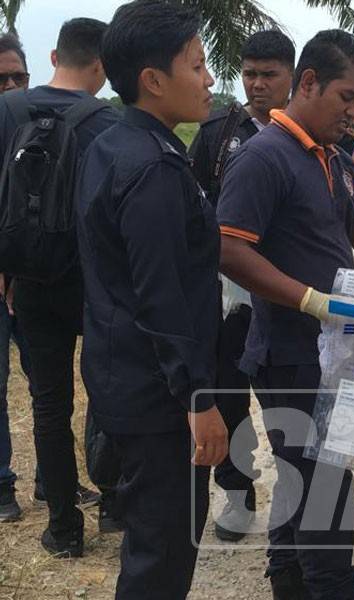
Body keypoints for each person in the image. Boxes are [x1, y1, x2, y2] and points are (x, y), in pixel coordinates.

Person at [216, 29, 354, 600]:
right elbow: (230, 249)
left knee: (303, 483)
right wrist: (309, 300)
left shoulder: (332, 157)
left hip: (333, 352)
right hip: (290, 356)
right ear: (308, 83)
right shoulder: (264, 158)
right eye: (346, 98)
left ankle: (288, 582)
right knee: (327, 499)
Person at [78, 0, 228, 594]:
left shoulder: (113, 144)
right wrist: (199, 400)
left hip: (123, 375)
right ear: (154, 80)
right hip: (159, 398)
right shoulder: (152, 168)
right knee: (162, 553)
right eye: (198, 65)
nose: (210, 78)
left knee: (152, 542)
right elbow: (162, 297)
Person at [0, 18, 119, 555]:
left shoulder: (7, 111)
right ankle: (115, 506)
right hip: (92, 282)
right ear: (99, 64)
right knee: (108, 394)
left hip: (29, 279)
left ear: (56, 55)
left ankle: (64, 528)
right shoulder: (107, 122)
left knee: (49, 404)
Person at [189, 29, 294, 543]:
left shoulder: (310, 133)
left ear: (294, 77)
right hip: (229, 299)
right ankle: (236, 494)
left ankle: (298, 504)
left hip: (288, 296)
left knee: (288, 407)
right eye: (250, 74)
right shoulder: (217, 132)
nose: (257, 85)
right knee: (229, 399)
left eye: (269, 75)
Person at [0, 32, 33, 524]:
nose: (10, 86)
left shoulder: (39, 129)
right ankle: (2, 486)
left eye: (18, 77)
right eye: (1, 78)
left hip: (33, 279)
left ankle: (55, 481)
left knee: (49, 384)